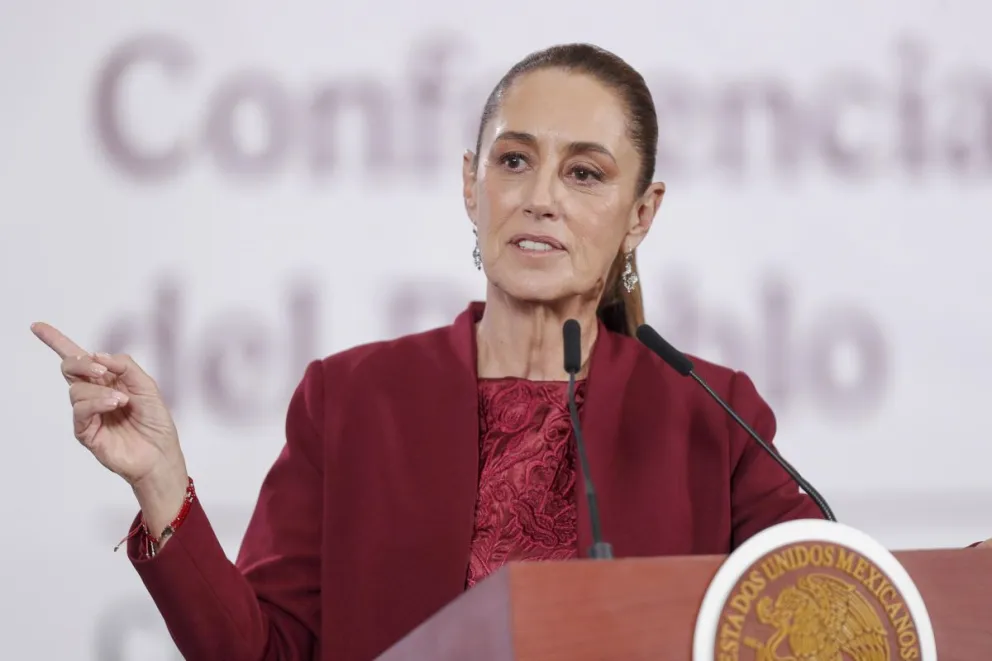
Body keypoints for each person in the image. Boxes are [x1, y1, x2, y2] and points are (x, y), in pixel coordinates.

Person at [31, 43, 989, 661]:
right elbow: (263, 654)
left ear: (641, 213)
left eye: (584, 172)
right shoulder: (352, 397)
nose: (541, 197)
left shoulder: (711, 410)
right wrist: (162, 486)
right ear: (469, 184)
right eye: (514, 160)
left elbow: (825, 618)